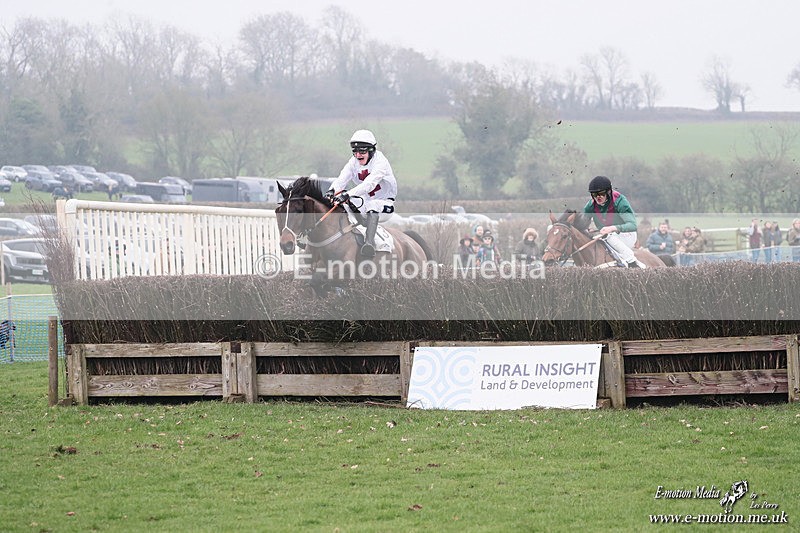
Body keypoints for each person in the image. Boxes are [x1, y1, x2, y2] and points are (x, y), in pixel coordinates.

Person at [325, 129, 397, 257]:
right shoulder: (353, 162)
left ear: (371, 150)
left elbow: (369, 185)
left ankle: (369, 244)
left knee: (371, 205)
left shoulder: (381, 162)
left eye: (362, 151)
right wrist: (332, 191)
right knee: (342, 205)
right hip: (365, 201)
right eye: (355, 151)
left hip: (385, 204)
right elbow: (342, 179)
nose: (358, 155)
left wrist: (347, 194)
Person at [582, 175, 643, 268]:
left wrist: (612, 228)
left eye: (601, 193)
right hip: (606, 236)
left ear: (609, 191)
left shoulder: (620, 201)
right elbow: (582, 223)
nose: (598, 197)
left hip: (627, 234)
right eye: (594, 194)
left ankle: (632, 262)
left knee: (610, 236)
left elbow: (633, 225)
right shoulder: (590, 206)